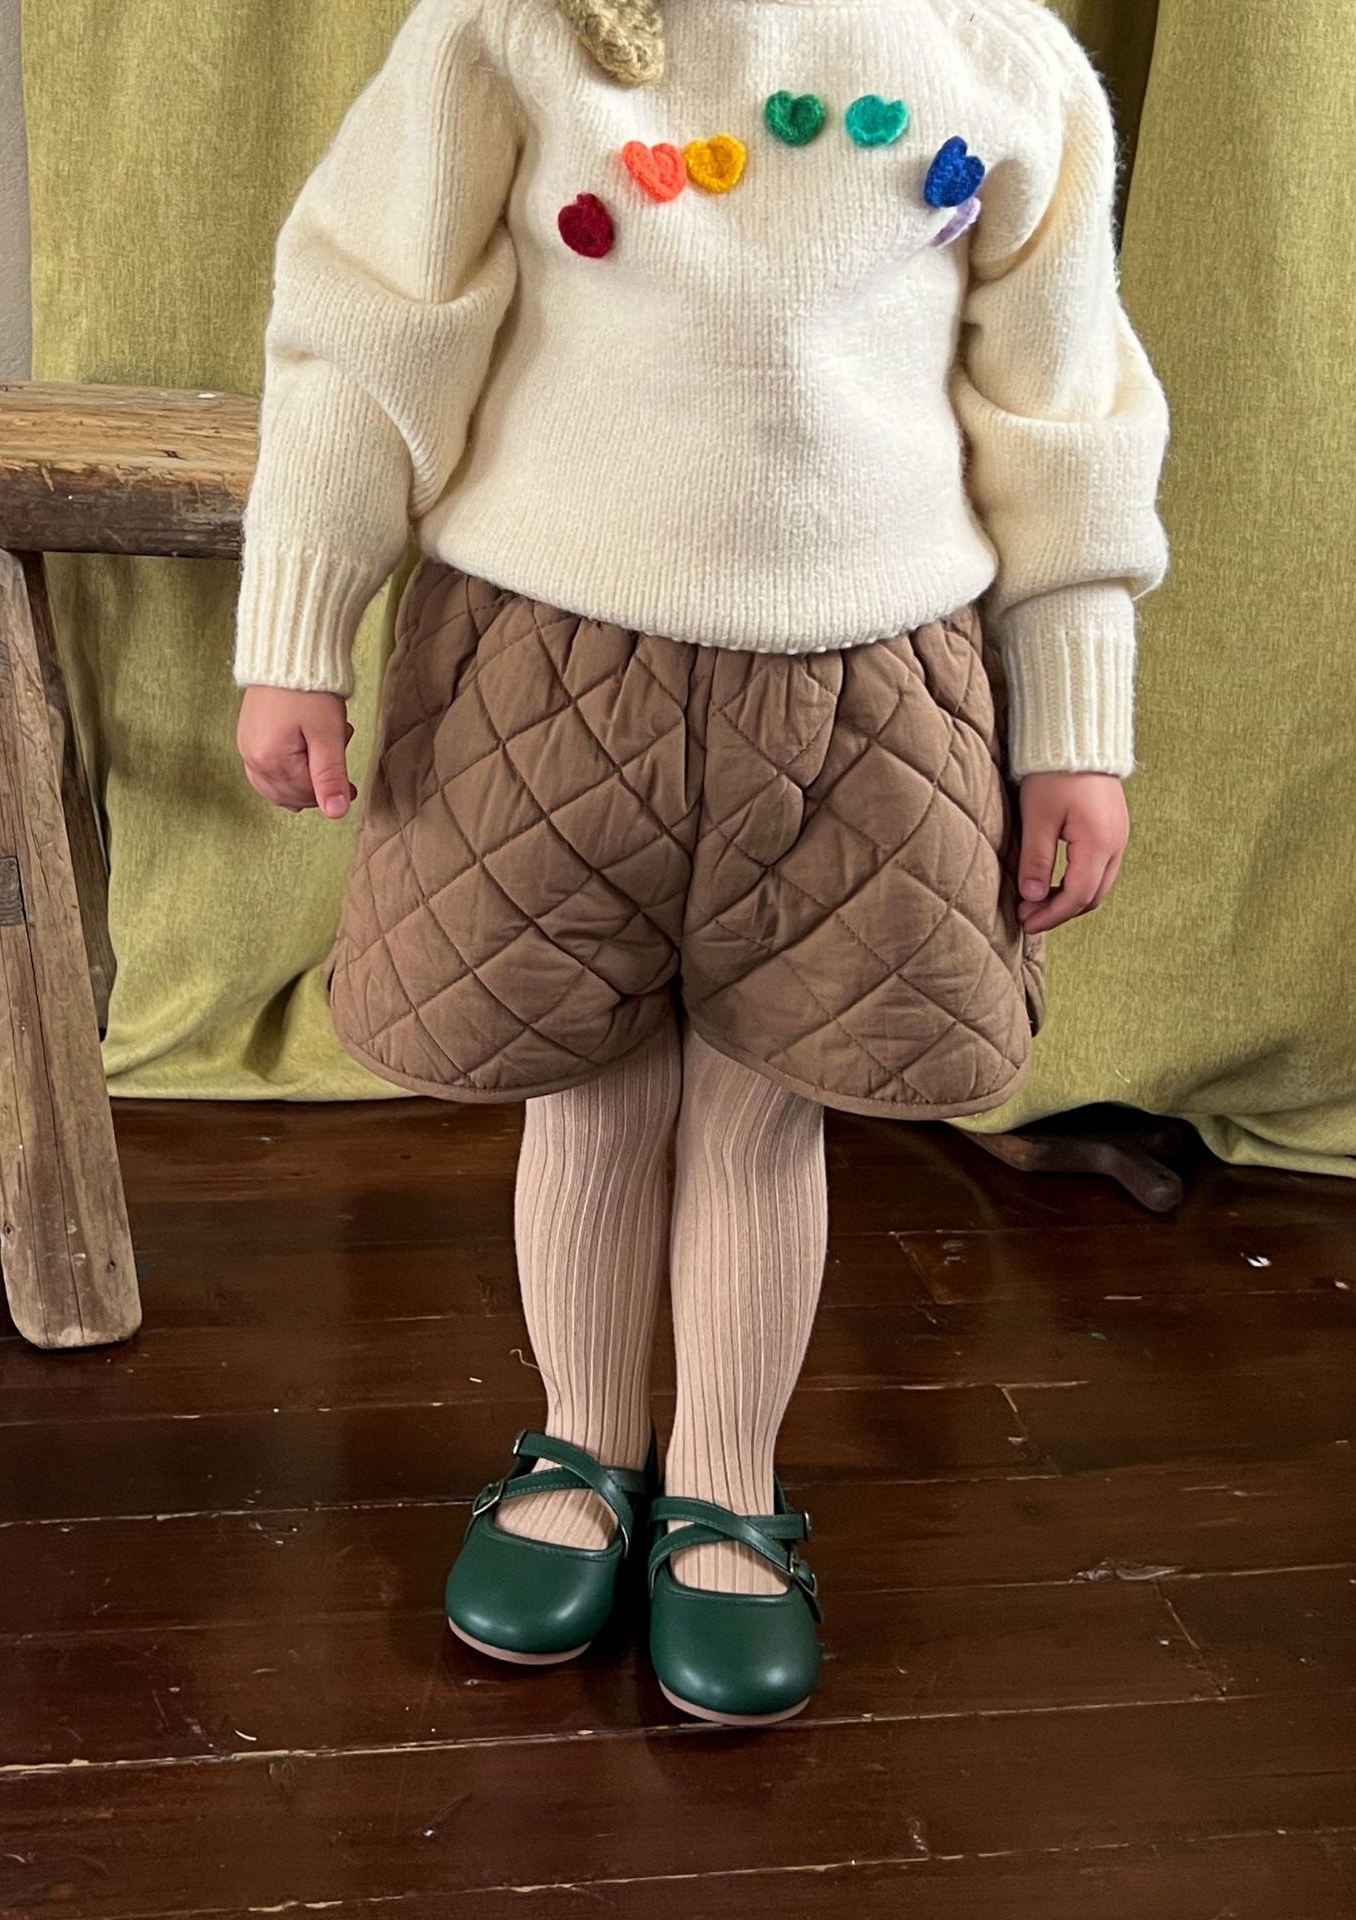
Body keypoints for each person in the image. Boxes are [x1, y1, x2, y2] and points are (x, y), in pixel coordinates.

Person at [233, 0, 1168, 1727]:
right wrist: (302, 624)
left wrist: (1076, 723)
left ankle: (727, 1478)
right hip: (546, 659)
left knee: (764, 1113)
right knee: (589, 1103)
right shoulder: (511, 29)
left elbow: (1064, 410)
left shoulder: (1003, 61)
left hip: (872, 689)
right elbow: (369, 328)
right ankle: (584, 1446)